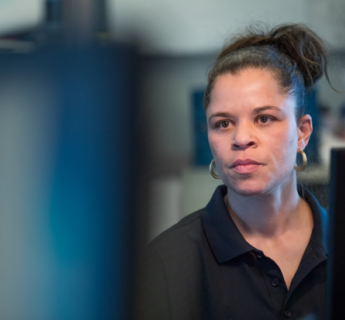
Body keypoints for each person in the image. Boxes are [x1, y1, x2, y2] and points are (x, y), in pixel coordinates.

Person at [136, 24, 334, 320]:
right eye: (223, 123)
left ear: (303, 132)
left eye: (264, 118)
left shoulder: (343, 241)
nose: (241, 139)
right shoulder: (164, 265)